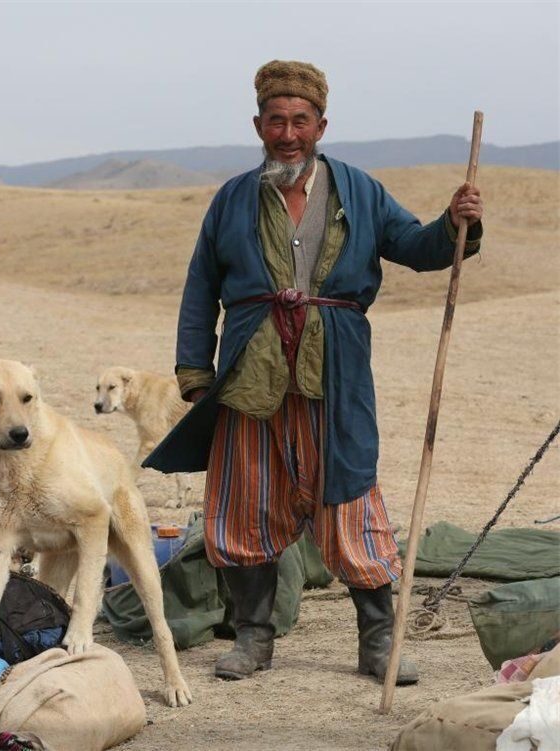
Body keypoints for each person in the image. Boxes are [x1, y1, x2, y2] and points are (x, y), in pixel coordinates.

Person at [144, 60, 483, 685]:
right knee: (246, 506)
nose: (288, 133)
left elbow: (420, 246)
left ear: (321, 124)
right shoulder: (232, 199)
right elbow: (201, 288)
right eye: (276, 120)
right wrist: (195, 372)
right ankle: (252, 639)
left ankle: (378, 644)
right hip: (251, 374)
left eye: (301, 120)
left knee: (349, 504)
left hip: (336, 376)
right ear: (258, 125)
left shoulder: (359, 189)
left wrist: (456, 222)